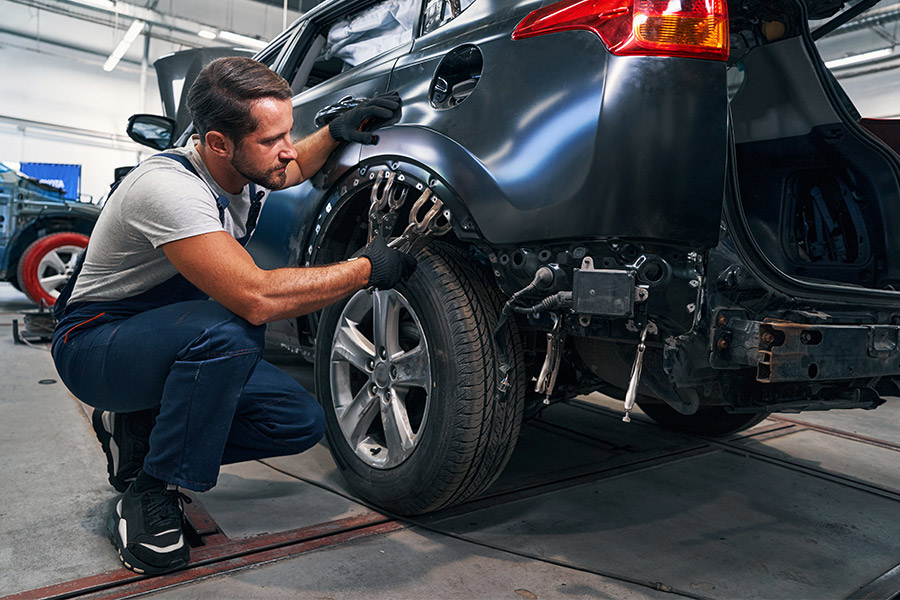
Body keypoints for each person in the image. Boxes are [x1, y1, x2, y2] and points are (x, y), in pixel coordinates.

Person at [51, 57, 415, 576]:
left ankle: (137, 432)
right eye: (273, 139)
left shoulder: (245, 163)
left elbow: (289, 168)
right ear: (218, 143)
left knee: (297, 422)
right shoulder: (170, 189)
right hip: (95, 343)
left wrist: (332, 133)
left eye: (289, 131)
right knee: (233, 327)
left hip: (165, 337)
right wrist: (365, 268)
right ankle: (149, 492)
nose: (287, 150)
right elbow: (257, 297)